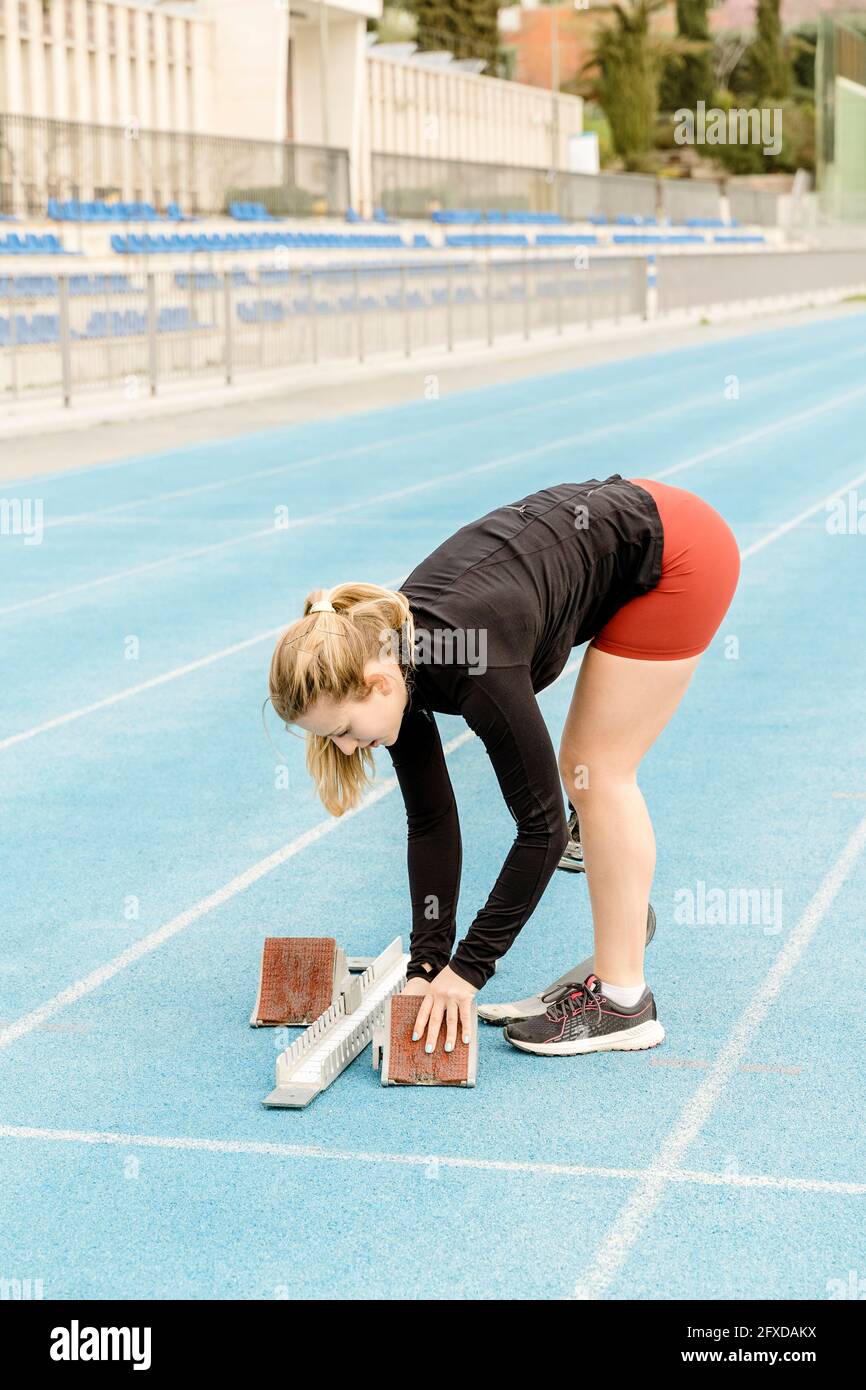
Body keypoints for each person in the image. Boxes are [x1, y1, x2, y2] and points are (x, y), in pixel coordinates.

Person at [268, 476, 740, 1060]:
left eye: (342, 732)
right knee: (583, 775)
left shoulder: (471, 659)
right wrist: (427, 963)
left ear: (379, 682)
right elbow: (432, 820)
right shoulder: (388, 655)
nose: (345, 749)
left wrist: (467, 973)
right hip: (619, 531)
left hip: (678, 551)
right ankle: (614, 965)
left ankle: (623, 1002)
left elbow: (540, 830)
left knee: (596, 771)